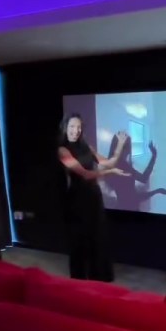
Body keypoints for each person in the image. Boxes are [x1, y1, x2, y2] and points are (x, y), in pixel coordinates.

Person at [57, 114, 129, 280]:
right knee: (79, 241)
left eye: (78, 127)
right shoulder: (63, 150)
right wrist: (109, 172)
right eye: (72, 127)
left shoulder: (87, 147)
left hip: (93, 198)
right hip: (76, 199)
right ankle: (79, 280)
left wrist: (120, 145)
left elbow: (108, 162)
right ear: (65, 128)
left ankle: (98, 278)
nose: (76, 131)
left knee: (97, 238)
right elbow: (85, 174)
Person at [105, 133, 166, 210]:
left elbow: (130, 196)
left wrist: (157, 191)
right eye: (126, 146)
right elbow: (143, 180)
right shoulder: (123, 167)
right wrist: (154, 156)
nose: (128, 150)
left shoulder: (111, 166)